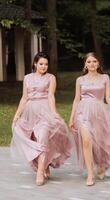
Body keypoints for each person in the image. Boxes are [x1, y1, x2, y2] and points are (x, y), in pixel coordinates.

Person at [11, 52, 72, 186]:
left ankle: (40, 171)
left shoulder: (51, 78)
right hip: (30, 112)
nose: (44, 67)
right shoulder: (27, 78)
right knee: (34, 139)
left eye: (46, 64)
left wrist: (54, 113)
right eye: (41, 64)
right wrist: (17, 115)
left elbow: (51, 96)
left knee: (43, 136)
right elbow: (24, 98)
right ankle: (44, 165)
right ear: (35, 64)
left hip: (44, 111)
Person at [69, 52, 110, 186]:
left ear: (99, 63)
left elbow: (108, 97)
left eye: (94, 61)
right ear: (85, 64)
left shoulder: (105, 78)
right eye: (89, 62)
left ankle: (101, 164)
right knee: (86, 140)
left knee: (100, 140)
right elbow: (76, 99)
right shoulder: (80, 80)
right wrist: (72, 118)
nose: (92, 64)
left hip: (100, 112)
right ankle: (90, 174)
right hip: (83, 113)